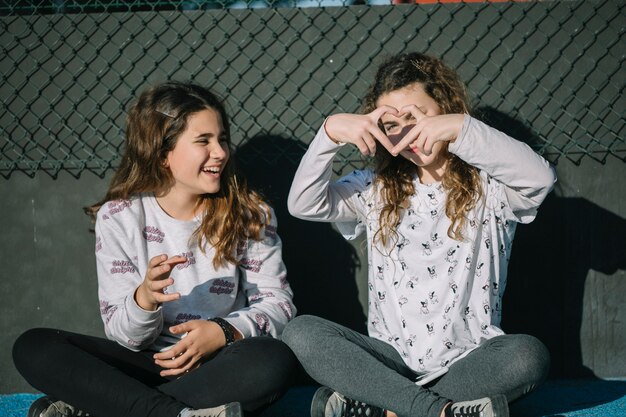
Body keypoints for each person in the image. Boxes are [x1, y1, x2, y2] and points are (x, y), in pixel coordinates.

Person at [282, 52, 556, 417]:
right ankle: (434, 411)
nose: (406, 132)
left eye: (415, 116)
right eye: (392, 124)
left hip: (469, 360)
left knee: (527, 355)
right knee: (300, 332)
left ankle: (388, 410)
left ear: (444, 106)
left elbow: (540, 178)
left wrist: (459, 126)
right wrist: (330, 132)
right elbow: (303, 203)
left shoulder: (491, 188)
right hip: (389, 362)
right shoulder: (373, 188)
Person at [13, 81, 297, 417]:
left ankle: (107, 406)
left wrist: (222, 332)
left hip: (216, 363)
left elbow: (279, 306)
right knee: (34, 347)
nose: (220, 152)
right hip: (145, 362)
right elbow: (126, 336)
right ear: (163, 154)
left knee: (272, 360)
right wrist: (144, 299)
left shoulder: (250, 214)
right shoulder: (119, 216)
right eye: (203, 141)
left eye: (222, 139)